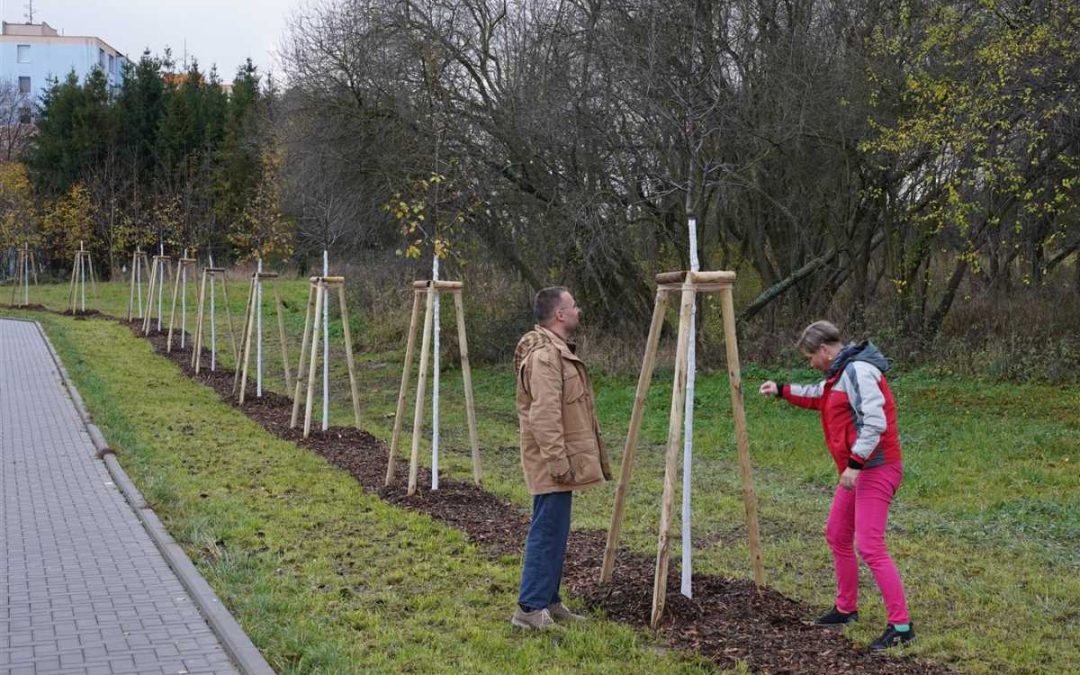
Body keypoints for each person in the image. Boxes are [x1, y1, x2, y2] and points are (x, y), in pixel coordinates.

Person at [759, 320, 915, 651]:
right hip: (856, 469)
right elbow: (819, 395)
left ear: (825, 351)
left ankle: (901, 626)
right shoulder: (839, 374)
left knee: (870, 546)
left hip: (876, 467)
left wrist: (856, 464)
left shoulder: (858, 370)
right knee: (837, 535)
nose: (810, 363)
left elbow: (875, 422)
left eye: (810, 357)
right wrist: (782, 390)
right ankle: (846, 610)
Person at [511, 286, 612, 631]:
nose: (578, 310)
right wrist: (557, 463)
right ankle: (529, 608)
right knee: (547, 532)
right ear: (559, 314)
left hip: (557, 461)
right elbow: (544, 415)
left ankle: (549, 601)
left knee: (556, 531)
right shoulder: (544, 357)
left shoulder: (554, 351)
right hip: (550, 463)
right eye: (573, 305)